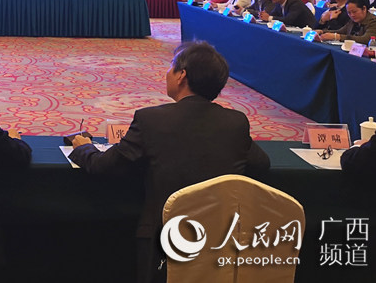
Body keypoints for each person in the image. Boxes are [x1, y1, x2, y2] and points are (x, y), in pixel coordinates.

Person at [69, 41, 269, 283]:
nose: (167, 72)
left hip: (165, 241)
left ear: (181, 76)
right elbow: (261, 164)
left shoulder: (151, 120)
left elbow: (105, 166)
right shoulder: (236, 122)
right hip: (221, 238)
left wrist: (84, 148)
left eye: (171, 66)